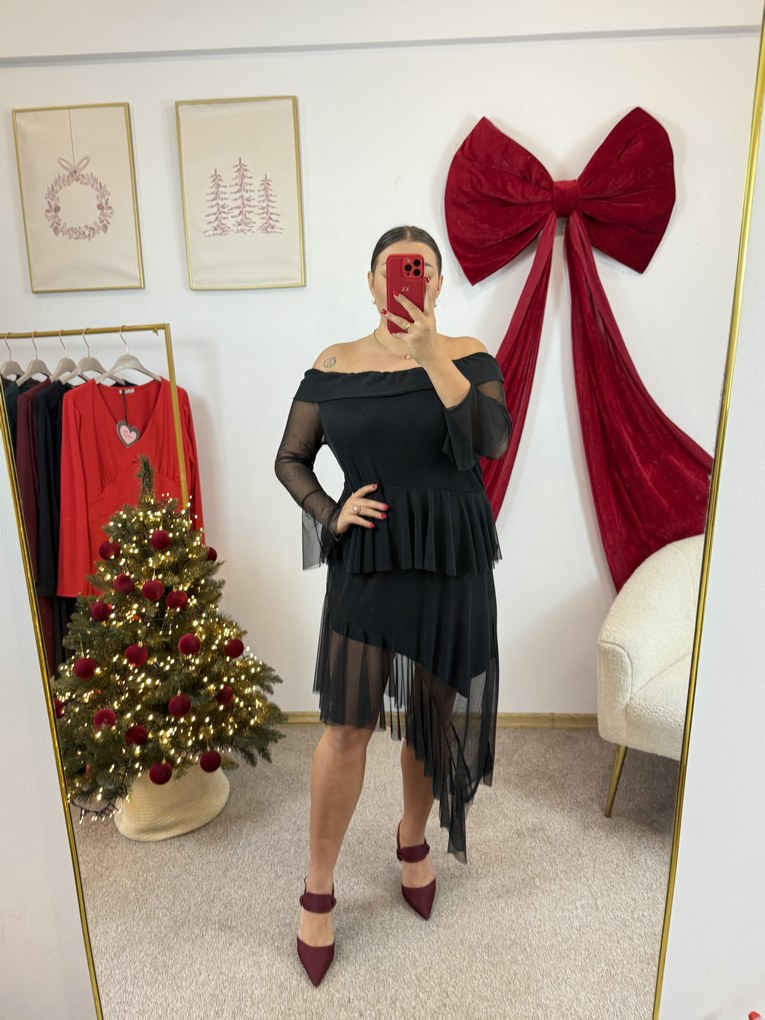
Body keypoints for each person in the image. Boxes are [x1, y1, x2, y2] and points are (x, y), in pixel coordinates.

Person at [274, 225, 511, 986]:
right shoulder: (333, 363)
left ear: (436, 284)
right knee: (346, 726)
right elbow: (290, 457)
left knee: (432, 716)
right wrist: (328, 511)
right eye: (395, 269)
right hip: (370, 559)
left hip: (451, 558)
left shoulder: (466, 354)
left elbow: (491, 441)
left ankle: (412, 840)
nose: (410, 280)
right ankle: (317, 887)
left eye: (424, 270)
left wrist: (430, 354)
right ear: (372, 281)